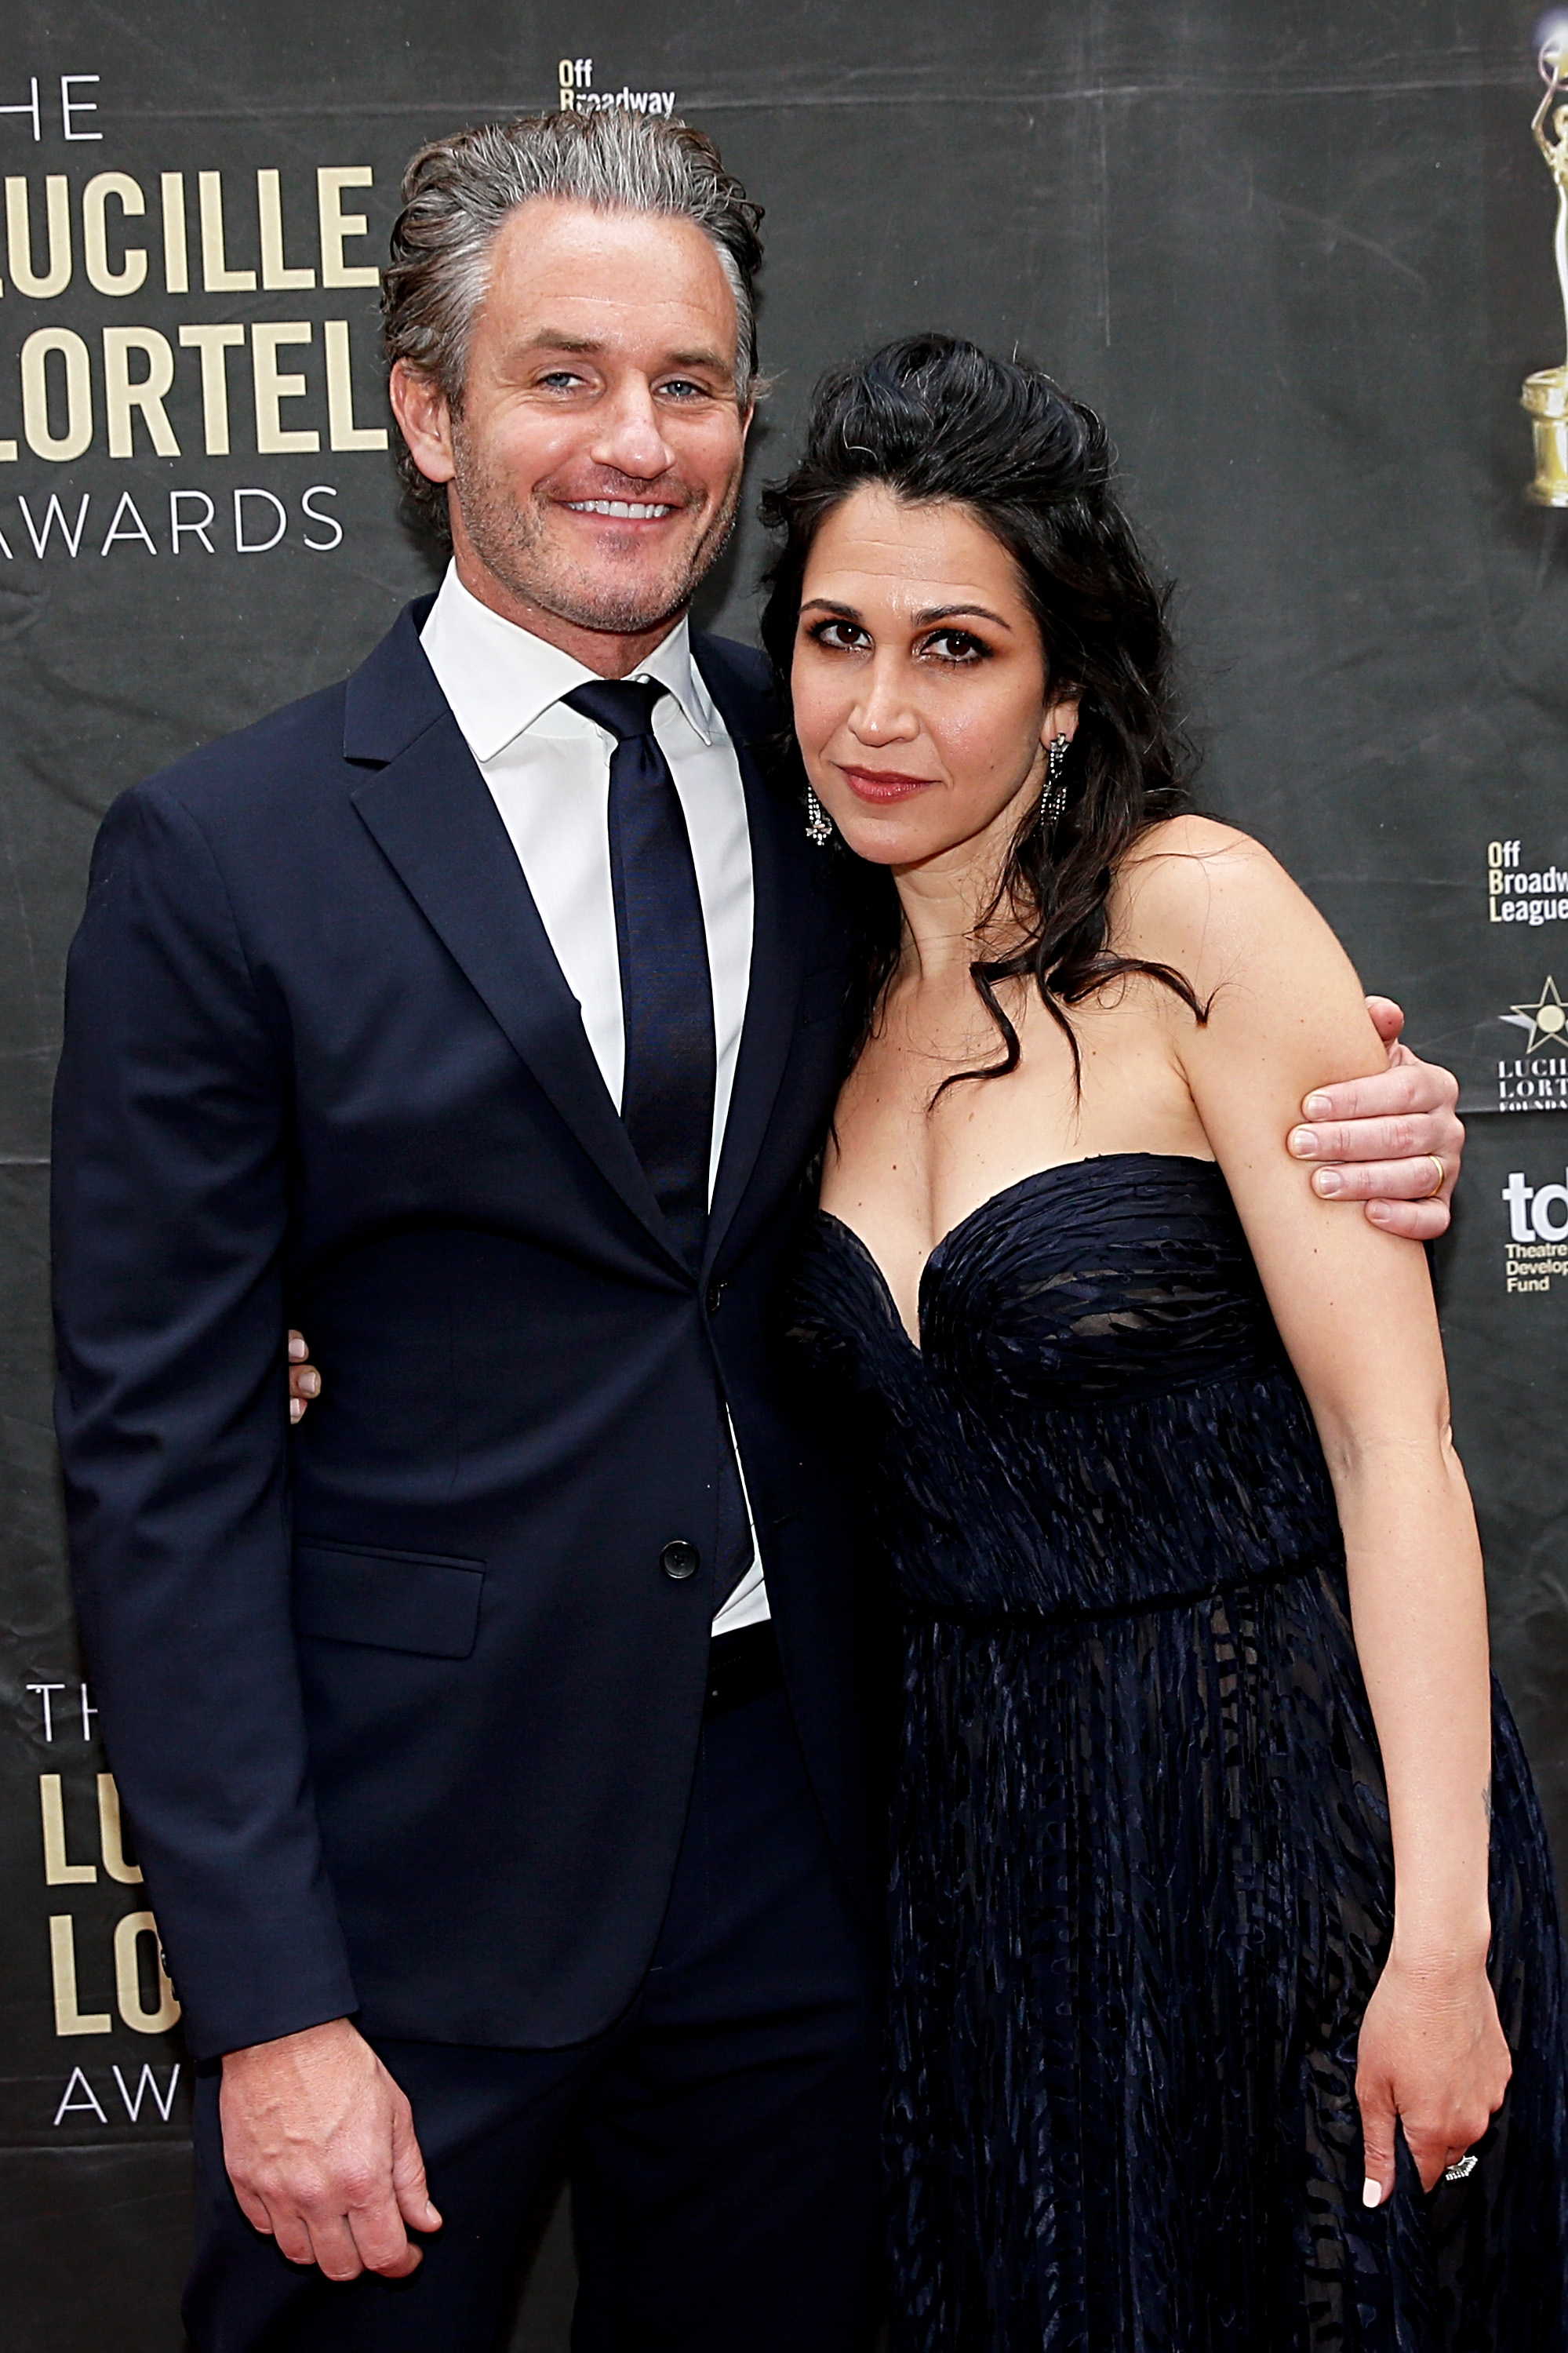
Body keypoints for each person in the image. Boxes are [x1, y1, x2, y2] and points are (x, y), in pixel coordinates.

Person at [49, 109, 1466, 2353]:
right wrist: (270, 2010)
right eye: (564, 375)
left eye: (692, 384)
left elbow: (1104, 1022)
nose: (638, 441)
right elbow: (157, 1466)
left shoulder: (842, 751)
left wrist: (1372, 1103)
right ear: (426, 416)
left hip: (828, 1848)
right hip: (420, 1886)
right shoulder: (222, 862)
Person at [773, 334, 1568, 2350]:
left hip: (1284, 1816)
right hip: (983, 1857)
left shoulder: (1192, 922)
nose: (878, 711)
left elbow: (1398, 1454)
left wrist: (1443, 1939)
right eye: (832, 635)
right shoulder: (800, 982)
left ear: (1062, 691)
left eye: (955, 648)